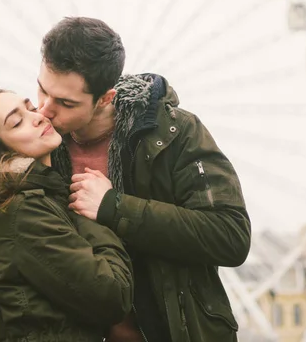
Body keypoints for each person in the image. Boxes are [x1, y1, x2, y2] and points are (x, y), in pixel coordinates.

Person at [37, 17, 252, 342]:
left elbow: (231, 235)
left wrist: (115, 207)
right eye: (42, 89)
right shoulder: (36, 144)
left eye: (66, 103)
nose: (45, 110)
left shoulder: (176, 133)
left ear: (106, 98)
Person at [0, 89, 133, 342]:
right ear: (0, 154)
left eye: (31, 109)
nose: (38, 118)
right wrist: (95, 211)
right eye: (17, 122)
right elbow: (113, 296)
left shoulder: (30, 203)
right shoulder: (22, 213)